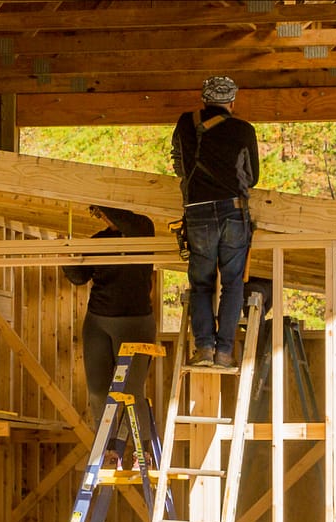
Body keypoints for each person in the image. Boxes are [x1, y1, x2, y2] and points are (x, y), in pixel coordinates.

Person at [170, 75, 260, 369]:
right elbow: (254, 176)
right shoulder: (244, 129)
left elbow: (179, 165)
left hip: (197, 212)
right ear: (232, 103)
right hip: (234, 211)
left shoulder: (186, 122)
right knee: (233, 284)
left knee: (201, 284)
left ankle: (204, 349)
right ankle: (224, 353)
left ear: (204, 99)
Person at [63, 205, 156, 420]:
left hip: (135, 322)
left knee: (132, 392)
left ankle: (140, 449)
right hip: (98, 321)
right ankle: (109, 450)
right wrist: (66, 259)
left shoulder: (142, 227)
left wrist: (101, 202)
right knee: (98, 392)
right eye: (99, 215)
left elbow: (126, 222)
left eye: (103, 213)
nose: (102, 218)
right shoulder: (99, 241)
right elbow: (79, 277)